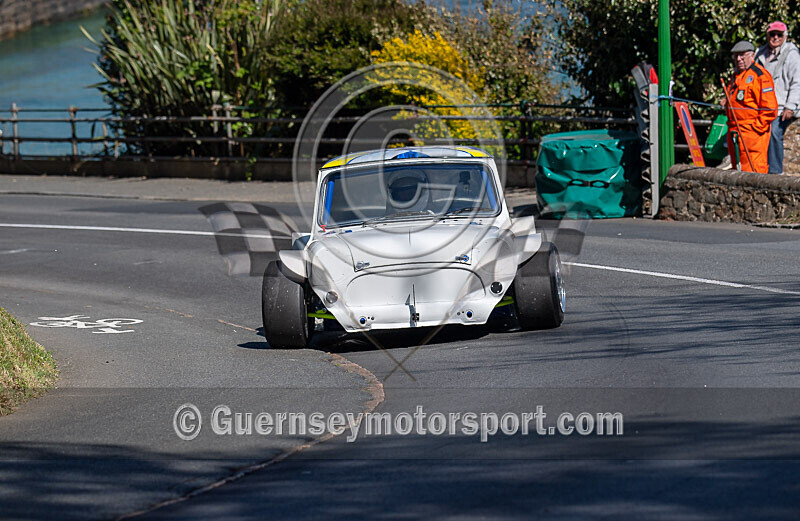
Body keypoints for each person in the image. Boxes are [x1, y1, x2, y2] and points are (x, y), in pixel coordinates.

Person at [724, 41, 778, 173]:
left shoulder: (760, 76)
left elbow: (770, 109)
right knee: (736, 171)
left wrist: (754, 129)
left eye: (742, 56)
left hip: (752, 134)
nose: (738, 59)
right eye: (736, 56)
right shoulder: (735, 76)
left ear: (752, 55)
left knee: (754, 171)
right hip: (735, 132)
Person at [755, 21, 800, 174]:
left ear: (785, 37)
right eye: (772, 34)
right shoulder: (759, 53)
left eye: (779, 35)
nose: (775, 37)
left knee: (774, 132)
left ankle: (775, 172)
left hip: (781, 107)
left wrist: (790, 106)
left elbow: (797, 82)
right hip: (762, 106)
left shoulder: (792, 55)